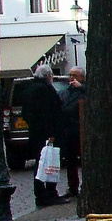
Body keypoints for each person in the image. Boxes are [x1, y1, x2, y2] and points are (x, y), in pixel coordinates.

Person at [23, 64, 64, 207]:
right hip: (46, 134)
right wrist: (50, 133)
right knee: (48, 163)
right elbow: (46, 113)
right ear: (48, 76)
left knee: (41, 164)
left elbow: (26, 113)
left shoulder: (31, 89)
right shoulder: (43, 90)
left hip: (36, 133)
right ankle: (47, 194)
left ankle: (44, 194)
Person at [57, 66, 86, 200]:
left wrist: (81, 87)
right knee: (70, 161)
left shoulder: (84, 90)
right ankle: (72, 187)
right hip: (68, 130)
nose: (71, 78)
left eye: (74, 75)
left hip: (81, 130)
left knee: (84, 159)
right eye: (70, 75)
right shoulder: (65, 92)